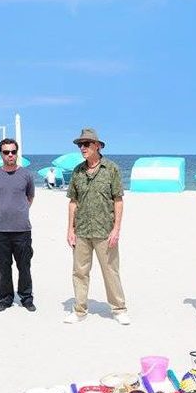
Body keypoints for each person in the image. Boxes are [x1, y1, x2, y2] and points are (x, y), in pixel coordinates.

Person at [65, 128, 129, 325]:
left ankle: (119, 309)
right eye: (80, 145)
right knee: (80, 272)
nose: (82, 148)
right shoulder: (77, 171)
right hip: (82, 230)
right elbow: (73, 202)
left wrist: (116, 229)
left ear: (97, 146)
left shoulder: (111, 169)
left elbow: (118, 200)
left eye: (86, 144)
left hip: (105, 231)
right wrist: (70, 229)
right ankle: (80, 310)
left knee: (110, 271)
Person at [0, 137, 36, 312]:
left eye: (13, 152)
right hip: (1, 229)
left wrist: (19, 211)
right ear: (1, 154)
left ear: (17, 153)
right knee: (4, 266)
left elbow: (30, 198)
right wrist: (5, 211)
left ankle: (26, 298)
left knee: (24, 266)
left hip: (22, 229)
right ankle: (6, 299)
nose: (10, 155)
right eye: (6, 152)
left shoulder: (26, 175)